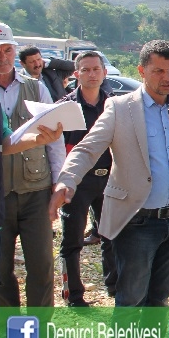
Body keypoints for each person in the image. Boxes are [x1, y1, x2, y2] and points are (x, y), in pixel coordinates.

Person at [49, 40, 169, 338]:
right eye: (158, 71)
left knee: (159, 299)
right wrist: (66, 181)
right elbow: (87, 149)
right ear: (141, 71)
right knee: (130, 301)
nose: (167, 78)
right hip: (138, 222)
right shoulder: (120, 108)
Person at [0, 22, 66, 309]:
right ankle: (9, 324)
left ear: (15, 51)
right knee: (0, 267)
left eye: (7, 50)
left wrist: (59, 182)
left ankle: (39, 325)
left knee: (41, 264)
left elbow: (54, 139)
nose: (2, 57)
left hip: (36, 189)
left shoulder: (35, 87)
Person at [0, 74, 62, 338]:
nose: (2, 56)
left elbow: (5, 139)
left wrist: (37, 141)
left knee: (31, 268)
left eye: (7, 51)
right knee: (1, 275)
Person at [54, 51, 117, 305]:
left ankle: (115, 287)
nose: (92, 74)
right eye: (86, 70)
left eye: (96, 69)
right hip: (77, 182)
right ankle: (73, 294)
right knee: (72, 240)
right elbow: (55, 148)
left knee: (111, 236)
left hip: (109, 178)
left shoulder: (113, 105)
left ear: (104, 72)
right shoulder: (65, 107)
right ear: (76, 74)